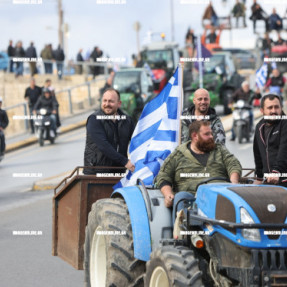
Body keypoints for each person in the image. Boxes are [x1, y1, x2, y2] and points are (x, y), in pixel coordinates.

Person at [156, 121, 242, 222]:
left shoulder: (219, 150)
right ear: (195, 136)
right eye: (207, 134)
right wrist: (168, 194)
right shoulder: (178, 154)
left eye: (211, 133)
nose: (211, 136)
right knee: (180, 197)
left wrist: (234, 182)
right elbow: (163, 175)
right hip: (192, 200)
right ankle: (188, 235)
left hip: (218, 196)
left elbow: (234, 164)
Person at [83, 88, 135, 175]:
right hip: (96, 173)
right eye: (104, 101)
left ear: (119, 104)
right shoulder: (94, 119)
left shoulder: (127, 120)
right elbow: (104, 145)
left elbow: (136, 140)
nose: (107, 104)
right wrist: (125, 162)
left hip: (119, 172)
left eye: (111, 101)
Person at [253, 94, 287, 187]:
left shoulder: (285, 123)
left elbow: (284, 151)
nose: (273, 111)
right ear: (262, 111)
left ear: (281, 108)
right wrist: (259, 177)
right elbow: (258, 155)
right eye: (270, 108)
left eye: (276, 107)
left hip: (284, 181)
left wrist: (276, 172)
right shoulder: (259, 126)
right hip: (268, 183)